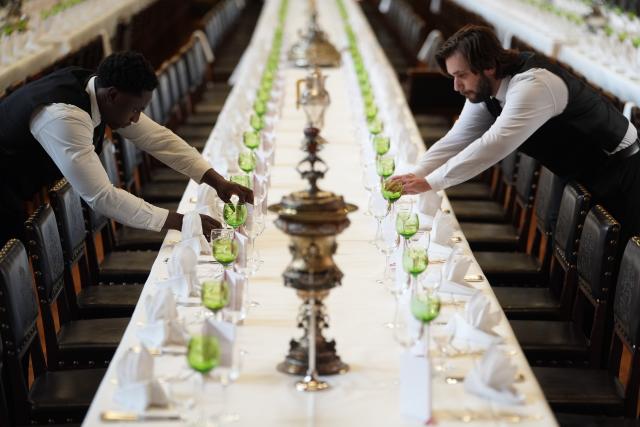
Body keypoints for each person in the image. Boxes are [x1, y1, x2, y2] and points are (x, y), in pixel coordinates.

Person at [391, 24, 640, 248]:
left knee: (617, 265)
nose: (456, 86)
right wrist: (417, 173)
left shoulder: (533, 85)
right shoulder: (485, 90)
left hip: (620, 169)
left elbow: (493, 145)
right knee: (560, 241)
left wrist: (431, 182)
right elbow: (456, 139)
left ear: (488, 66)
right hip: (576, 169)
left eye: (461, 75)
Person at [0, 51, 252, 244]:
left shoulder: (102, 91)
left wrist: (217, 181)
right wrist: (183, 222)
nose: (135, 119)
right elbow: (102, 196)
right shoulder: (65, 117)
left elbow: (159, 139)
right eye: (135, 110)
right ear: (112, 95)